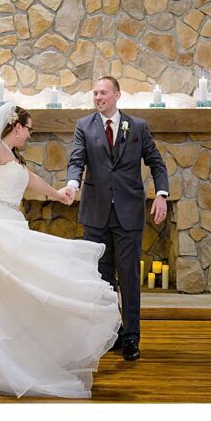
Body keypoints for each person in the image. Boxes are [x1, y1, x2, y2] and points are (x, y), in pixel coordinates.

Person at [0, 103, 121, 399]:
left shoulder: (13, 156)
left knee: (13, 293)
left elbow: (31, 181)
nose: (30, 135)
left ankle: (11, 354)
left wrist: (58, 194)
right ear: (17, 127)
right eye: (29, 129)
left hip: (12, 223)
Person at [65, 76, 169, 362]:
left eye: (103, 93)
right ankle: (111, 333)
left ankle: (132, 336)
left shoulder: (137, 127)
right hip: (96, 214)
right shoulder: (84, 126)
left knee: (130, 277)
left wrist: (161, 194)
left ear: (117, 95)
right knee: (101, 279)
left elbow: (156, 162)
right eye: (95, 93)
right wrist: (72, 184)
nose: (98, 97)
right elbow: (76, 161)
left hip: (128, 213)